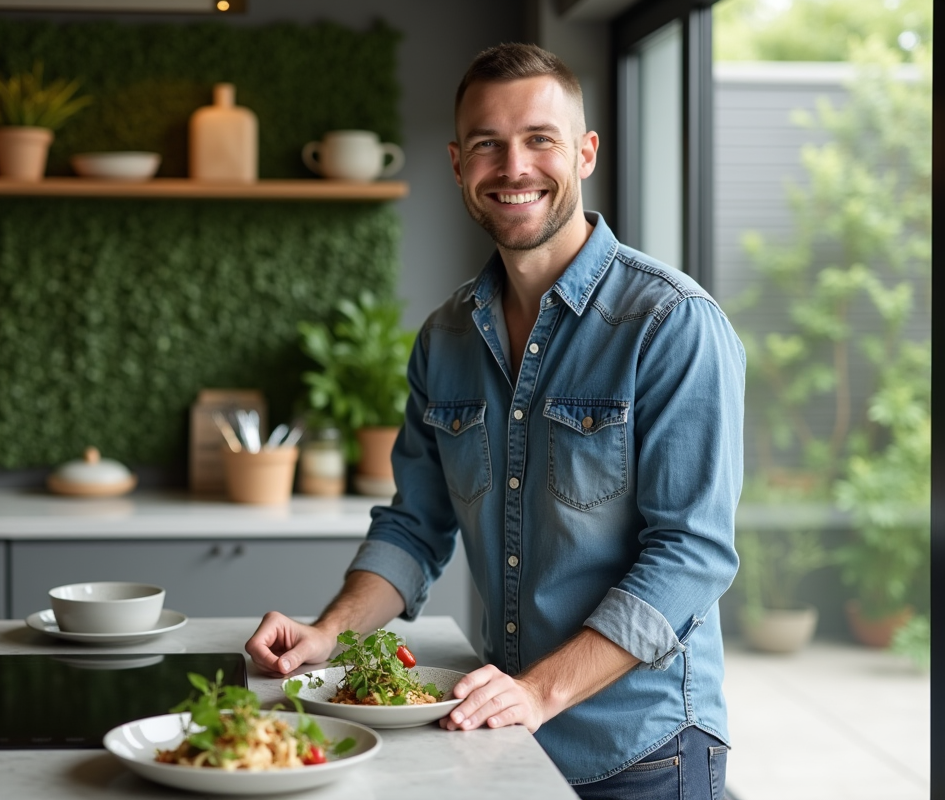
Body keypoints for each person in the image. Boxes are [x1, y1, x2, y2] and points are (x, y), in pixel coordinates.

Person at [246, 42, 744, 800]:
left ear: (585, 153)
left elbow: (692, 556)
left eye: (540, 139)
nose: (514, 167)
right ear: (457, 164)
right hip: (504, 738)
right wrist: (330, 634)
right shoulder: (445, 337)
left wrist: (541, 691)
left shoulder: (671, 323)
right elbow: (415, 525)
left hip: (645, 752)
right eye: (488, 144)